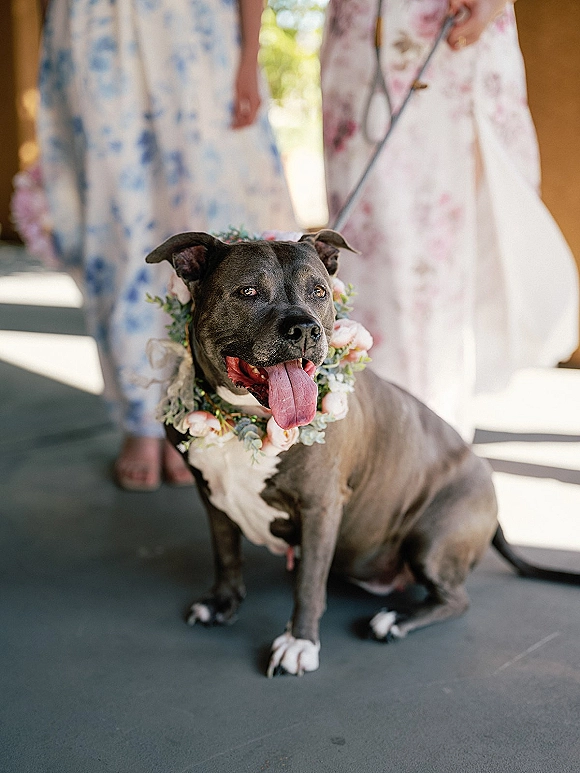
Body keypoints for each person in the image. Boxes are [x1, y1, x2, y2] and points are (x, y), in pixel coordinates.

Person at [36, 0, 296, 489]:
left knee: (206, 230)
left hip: (195, 36)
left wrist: (247, 62)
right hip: (97, 31)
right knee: (117, 234)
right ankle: (140, 416)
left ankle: (195, 406)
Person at [321, 0, 579, 438]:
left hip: (445, 30)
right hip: (360, 37)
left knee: (432, 240)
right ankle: (368, 422)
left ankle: (432, 431)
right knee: (363, 246)